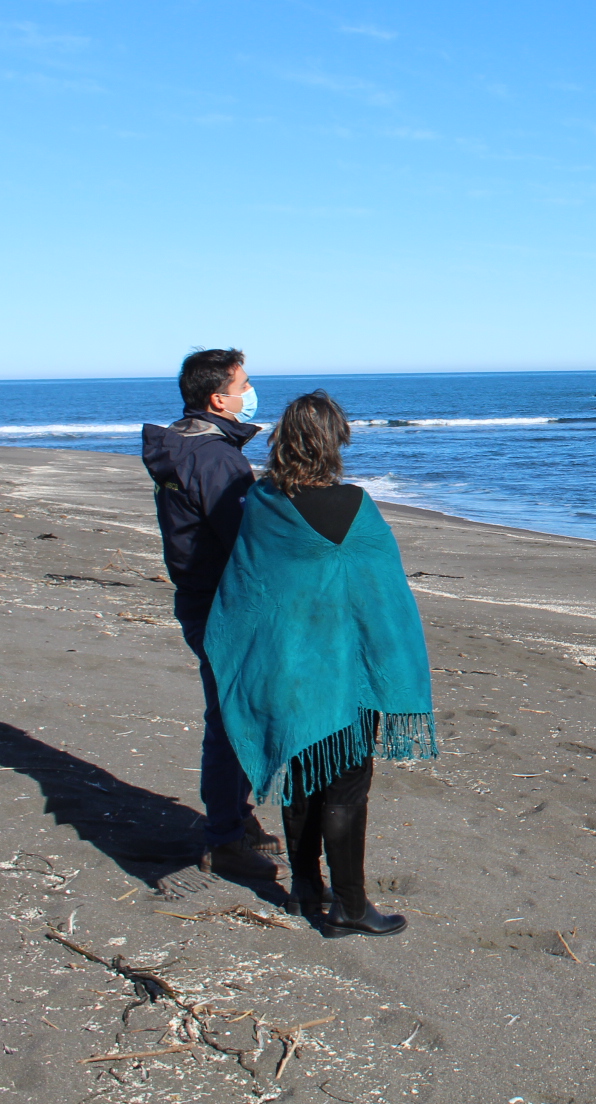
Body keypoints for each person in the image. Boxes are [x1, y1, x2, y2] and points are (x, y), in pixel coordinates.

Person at [205, 391, 437, 937]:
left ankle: (308, 891)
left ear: (285, 442)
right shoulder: (356, 505)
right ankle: (351, 907)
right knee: (348, 787)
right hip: (349, 675)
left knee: (303, 781)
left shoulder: (262, 504)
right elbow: (386, 600)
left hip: (291, 670)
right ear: (335, 442)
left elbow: (247, 592)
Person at [141, 348, 282, 879]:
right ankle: (223, 834)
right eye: (244, 384)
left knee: (230, 711)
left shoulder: (188, 444)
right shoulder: (213, 457)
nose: (250, 392)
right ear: (218, 397)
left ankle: (234, 817)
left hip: (201, 593)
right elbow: (244, 537)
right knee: (230, 718)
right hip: (224, 601)